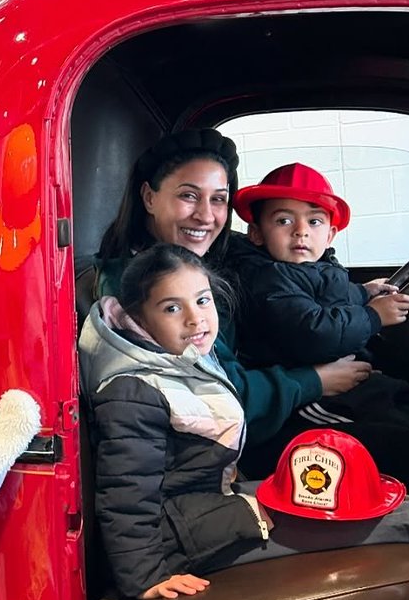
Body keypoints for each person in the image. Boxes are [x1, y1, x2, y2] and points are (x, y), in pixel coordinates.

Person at [78, 244, 409, 600]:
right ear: (140, 318)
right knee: (330, 509)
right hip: (178, 536)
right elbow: (125, 495)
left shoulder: (176, 356)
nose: (196, 319)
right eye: (172, 308)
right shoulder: (133, 390)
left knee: (325, 490)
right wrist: (146, 577)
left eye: (203, 300)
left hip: (203, 507)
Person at [94, 129, 371, 448]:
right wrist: (315, 380)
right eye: (188, 196)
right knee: (391, 439)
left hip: (263, 399)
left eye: (218, 199)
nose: (205, 216)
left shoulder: (217, 254)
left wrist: (362, 293)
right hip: (226, 436)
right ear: (149, 197)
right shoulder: (136, 288)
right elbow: (215, 391)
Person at [228, 162, 409, 491]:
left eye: (314, 221)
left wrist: (364, 292)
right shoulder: (266, 278)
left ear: (330, 233)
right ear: (257, 233)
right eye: (283, 220)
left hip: (339, 374)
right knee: (397, 442)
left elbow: (335, 293)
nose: (300, 231)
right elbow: (314, 332)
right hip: (302, 400)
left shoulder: (321, 266)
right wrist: (373, 316)